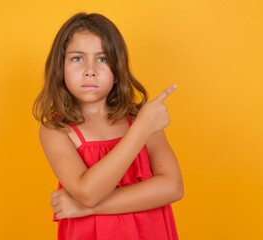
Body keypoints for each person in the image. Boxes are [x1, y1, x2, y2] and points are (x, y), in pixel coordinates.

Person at [33, 12, 184, 240]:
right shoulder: (56, 132)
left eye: (103, 59)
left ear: (117, 72)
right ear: (59, 68)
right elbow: (88, 192)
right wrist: (141, 130)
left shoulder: (139, 119)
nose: (90, 69)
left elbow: (172, 187)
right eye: (77, 58)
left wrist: (88, 209)